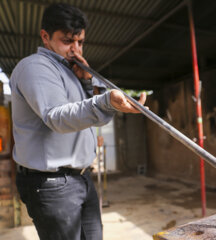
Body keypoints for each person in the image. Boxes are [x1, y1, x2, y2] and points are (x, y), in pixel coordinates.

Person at [10, 3, 146, 239]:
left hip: (81, 178)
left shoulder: (71, 72)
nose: (75, 49)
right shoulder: (36, 67)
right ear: (46, 37)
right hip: (53, 184)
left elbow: (88, 118)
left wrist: (85, 81)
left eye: (80, 42)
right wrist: (105, 102)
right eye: (67, 41)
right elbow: (57, 117)